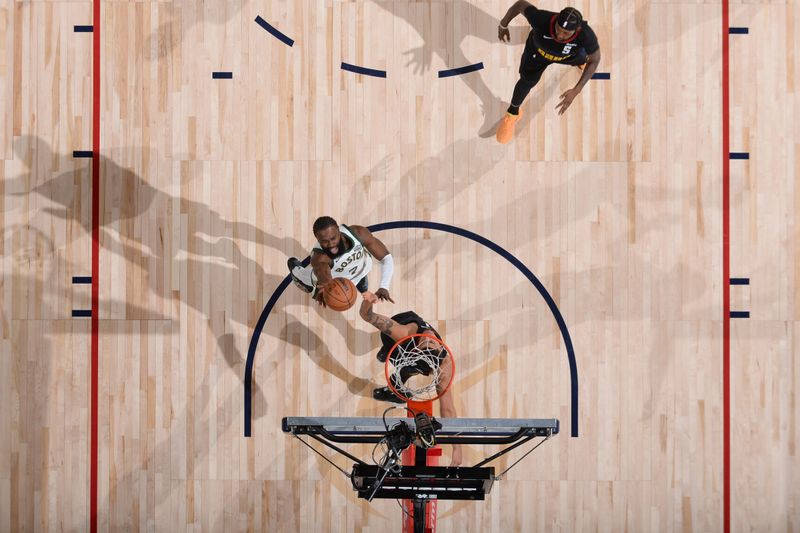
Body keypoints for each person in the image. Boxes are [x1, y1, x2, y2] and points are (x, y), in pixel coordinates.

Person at [359, 292, 462, 466]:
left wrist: (457, 449)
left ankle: (397, 384)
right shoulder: (402, 332)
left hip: (407, 353)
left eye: (433, 344)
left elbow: (448, 409)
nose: (432, 343)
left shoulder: (443, 363)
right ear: (415, 351)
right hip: (397, 337)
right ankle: (387, 351)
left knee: (409, 369)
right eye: (429, 344)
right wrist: (368, 302)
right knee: (396, 353)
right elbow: (366, 315)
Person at [496, 3, 601, 144]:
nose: (559, 35)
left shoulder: (586, 35)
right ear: (556, 20)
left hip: (567, 56)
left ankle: (578, 62)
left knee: (584, 58)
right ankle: (513, 113)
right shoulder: (541, 19)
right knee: (526, 82)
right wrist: (503, 25)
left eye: (566, 33)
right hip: (537, 54)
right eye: (558, 29)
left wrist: (576, 90)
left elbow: (595, 60)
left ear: (577, 30)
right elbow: (520, 5)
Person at [288, 216, 395, 305]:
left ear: (339, 231)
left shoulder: (358, 233)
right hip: (337, 281)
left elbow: (386, 258)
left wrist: (384, 286)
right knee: (308, 279)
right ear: (317, 239)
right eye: (324, 241)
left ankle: (361, 285)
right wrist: (327, 290)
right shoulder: (319, 258)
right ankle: (296, 272)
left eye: (333, 238)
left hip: (362, 269)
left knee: (361, 281)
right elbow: (325, 278)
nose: (331, 244)